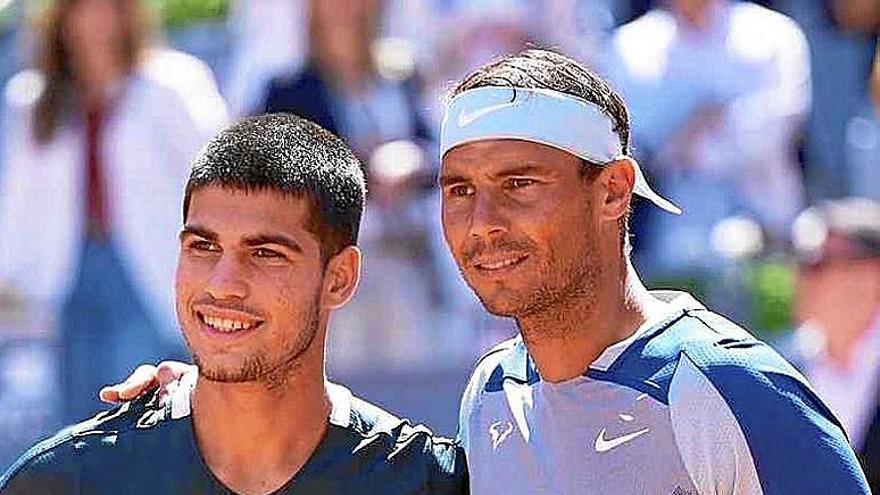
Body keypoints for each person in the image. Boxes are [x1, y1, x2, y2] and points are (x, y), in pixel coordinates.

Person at [97, 49, 870, 494]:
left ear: (612, 190)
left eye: (520, 184)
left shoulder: (731, 391)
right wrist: (221, 389)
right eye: (459, 189)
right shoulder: (491, 394)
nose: (482, 224)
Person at [0, 114, 467, 494]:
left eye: (265, 254)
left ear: (339, 278)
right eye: (202, 247)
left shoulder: (420, 481)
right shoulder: (70, 481)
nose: (224, 285)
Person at [780, 198, 880, 491]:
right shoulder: (779, 367)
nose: (800, 277)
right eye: (798, 261)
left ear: (871, 275)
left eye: (816, 263)